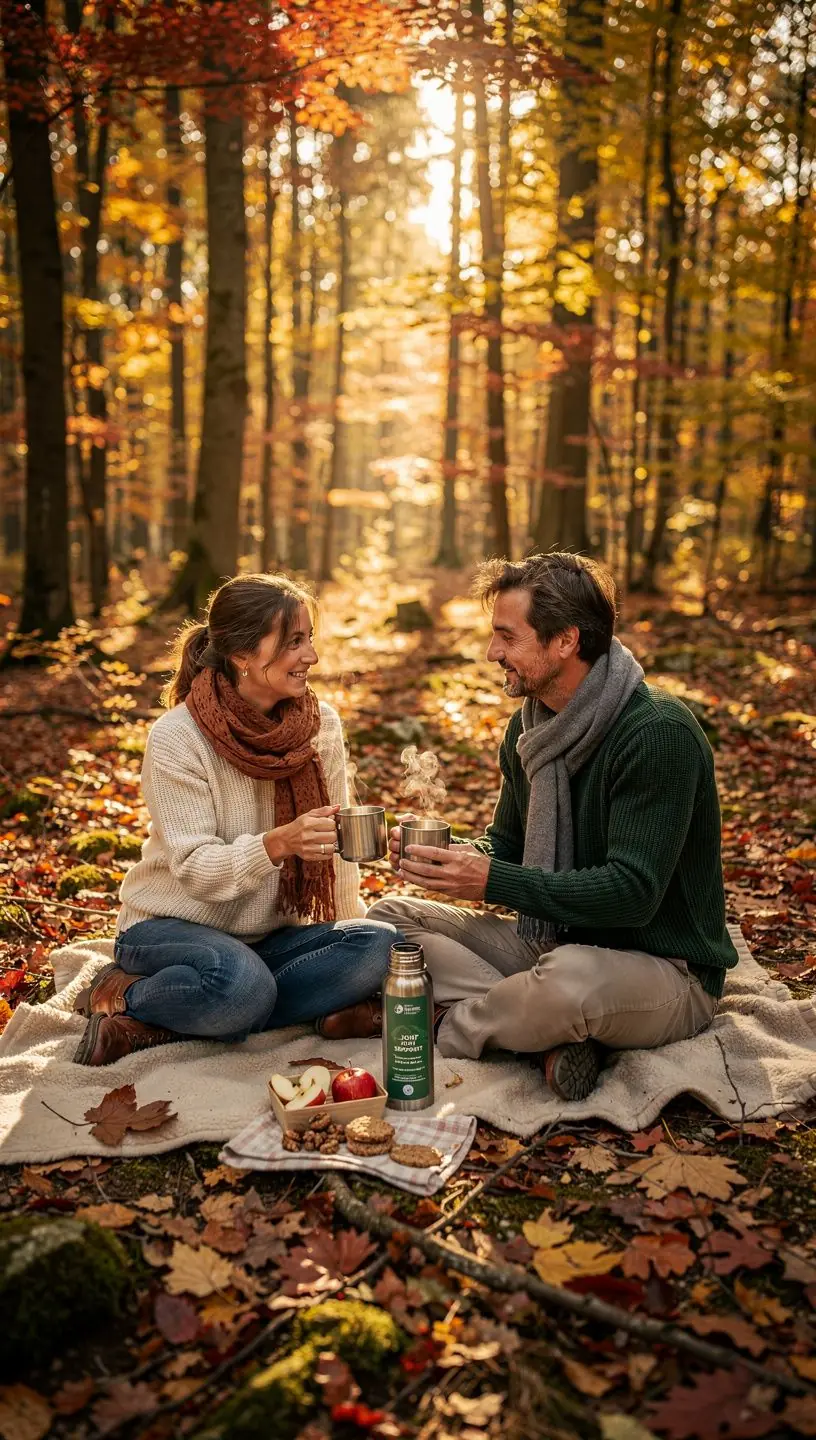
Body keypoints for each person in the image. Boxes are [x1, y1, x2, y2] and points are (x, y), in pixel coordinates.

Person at [359, 551, 738, 1101]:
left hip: (663, 967)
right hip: (555, 941)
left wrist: (489, 880)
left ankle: (448, 1026)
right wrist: (452, 860)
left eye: (508, 638)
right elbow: (509, 847)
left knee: (568, 982)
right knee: (389, 921)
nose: (493, 653)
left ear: (565, 640)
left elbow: (633, 895)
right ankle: (545, 1029)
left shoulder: (656, 734)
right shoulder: (531, 727)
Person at [72, 573, 400, 1066]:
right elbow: (197, 871)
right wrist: (277, 844)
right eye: (293, 642)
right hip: (170, 924)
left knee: (379, 945)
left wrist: (343, 942)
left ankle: (221, 1006)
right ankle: (127, 999)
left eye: (309, 639)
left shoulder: (320, 724)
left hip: (268, 936)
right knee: (242, 987)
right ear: (243, 655)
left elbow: (335, 848)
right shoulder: (178, 737)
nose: (311, 656)